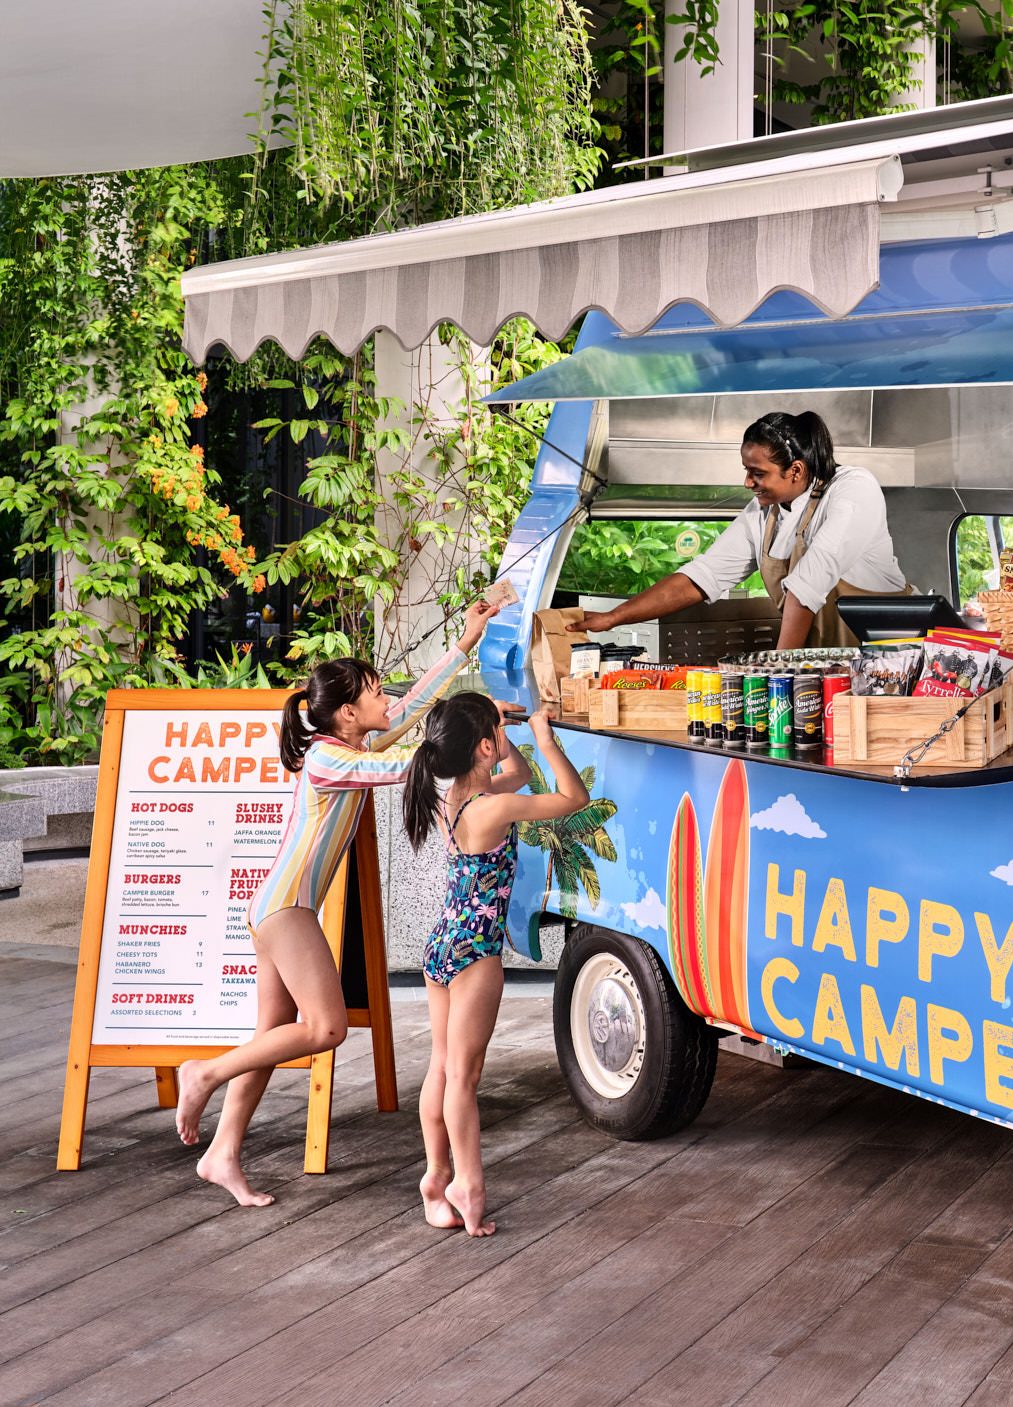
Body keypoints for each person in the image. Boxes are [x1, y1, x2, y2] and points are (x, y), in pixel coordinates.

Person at [173, 601, 499, 1206]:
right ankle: (205, 1072)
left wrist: (464, 643)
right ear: (349, 712)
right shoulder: (329, 757)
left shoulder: (350, 746)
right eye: (376, 693)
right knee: (325, 1028)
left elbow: (407, 714)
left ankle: (223, 1152)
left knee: (271, 1033)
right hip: (286, 909)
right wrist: (476, 733)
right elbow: (408, 764)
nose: (386, 700)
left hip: (278, 906)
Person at [400, 694, 587, 1237]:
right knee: (463, 1076)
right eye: (493, 735)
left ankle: (435, 1179)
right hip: (475, 953)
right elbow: (573, 798)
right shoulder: (493, 807)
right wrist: (545, 736)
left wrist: (496, 728)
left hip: (443, 945)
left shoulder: (458, 798)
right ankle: (468, 1184)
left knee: (442, 1068)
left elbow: (517, 771)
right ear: (483, 747)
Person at [572, 410, 909, 650]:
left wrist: (778, 673)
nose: (747, 483)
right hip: (829, 661)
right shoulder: (765, 513)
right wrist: (614, 617)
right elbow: (702, 577)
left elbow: (806, 590)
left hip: (890, 660)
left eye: (757, 473)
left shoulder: (853, 489)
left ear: (795, 470)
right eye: (746, 471)